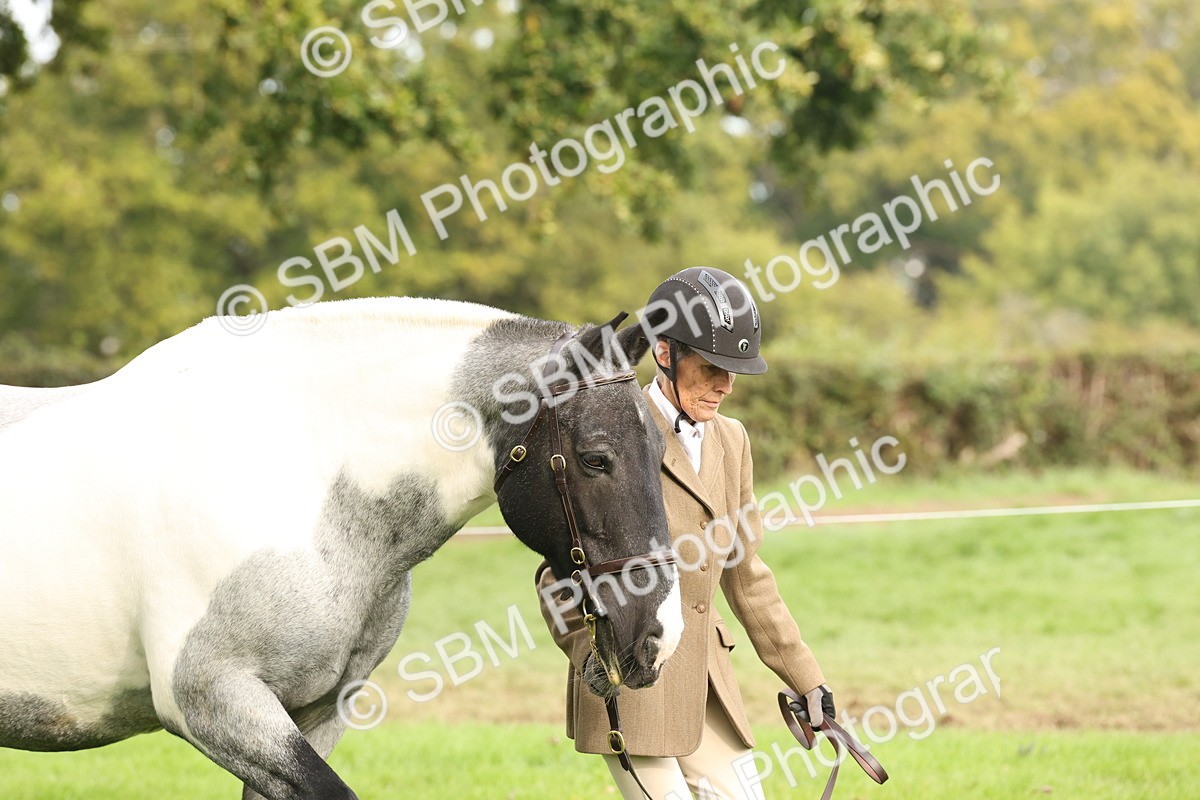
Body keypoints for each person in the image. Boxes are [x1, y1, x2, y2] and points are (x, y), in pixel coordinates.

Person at [535, 267, 835, 800]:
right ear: (664, 353)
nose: (725, 385)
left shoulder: (733, 440)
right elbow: (554, 573)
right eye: (711, 366)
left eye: (734, 370)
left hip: (706, 683)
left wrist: (807, 679)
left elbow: (747, 577)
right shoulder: (612, 433)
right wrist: (590, 655)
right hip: (629, 675)